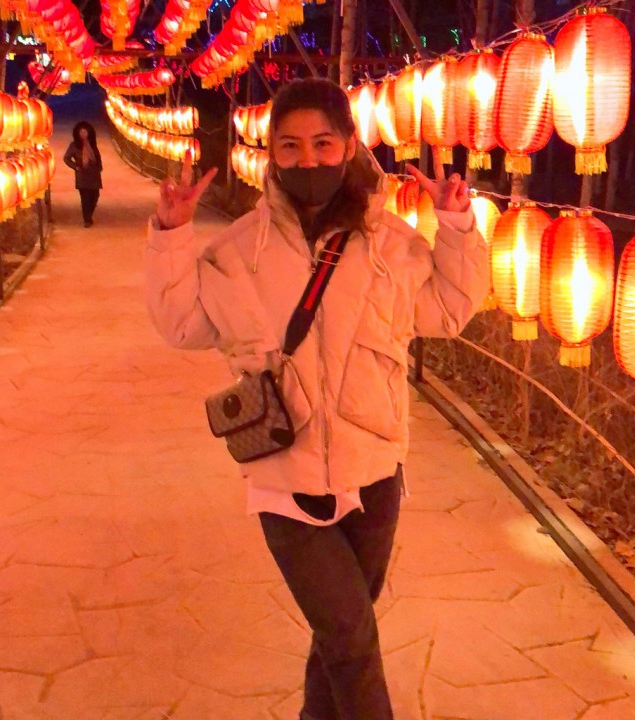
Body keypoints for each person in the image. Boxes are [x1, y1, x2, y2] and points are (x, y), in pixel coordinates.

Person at [144, 78, 489, 720]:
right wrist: (171, 234)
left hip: (375, 474)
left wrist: (456, 226)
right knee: (351, 638)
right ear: (271, 151)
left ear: (349, 145)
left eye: (323, 144)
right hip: (285, 479)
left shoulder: (390, 244)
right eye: (290, 146)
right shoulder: (238, 250)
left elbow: (449, 309)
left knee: (339, 633)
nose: (308, 160)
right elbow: (181, 325)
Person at [63, 121, 103, 228]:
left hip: (94, 175)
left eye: (85, 132)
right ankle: (87, 219)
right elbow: (66, 158)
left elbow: (98, 158)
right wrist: (76, 166)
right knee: (85, 198)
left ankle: (89, 214)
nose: (83, 134)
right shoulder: (74, 145)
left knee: (95, 196)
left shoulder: (92, 144)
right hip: (82, 175)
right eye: (81, 132)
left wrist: (99, 168)